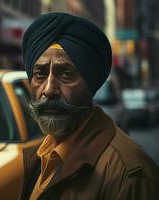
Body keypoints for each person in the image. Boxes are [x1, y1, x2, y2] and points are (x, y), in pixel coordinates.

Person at [20, 12, 158, 200]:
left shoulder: (128, 176)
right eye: (40, 74)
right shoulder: (42, 154)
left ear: (90, 85)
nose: (49, 89)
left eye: (66, 74)